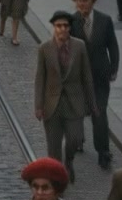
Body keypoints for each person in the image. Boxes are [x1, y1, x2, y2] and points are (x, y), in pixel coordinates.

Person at [35, 10, 96, 183]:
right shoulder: (44, 49)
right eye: (58, 26)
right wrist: (38, 106)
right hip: (52, 105)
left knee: (75, 139)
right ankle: (56, 179)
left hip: (74, 103)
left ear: (70, 28)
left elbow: (87, 76)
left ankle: (68, 161)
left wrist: (92, 103)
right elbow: (40, 79)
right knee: (53, 146)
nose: (62, 29)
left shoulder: (79, 46)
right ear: (53, 27)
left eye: (65, 26)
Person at [70, 0, 119, 170]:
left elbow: (113, 46)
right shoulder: (71, 21)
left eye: (85, 0)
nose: (82, 4)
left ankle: (103, 152)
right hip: (78, 77)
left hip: (100, 77)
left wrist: (114, 68)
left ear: (93, 2)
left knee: (99, 113)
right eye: (79, 0)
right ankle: (78, 139)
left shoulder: (105, 21)